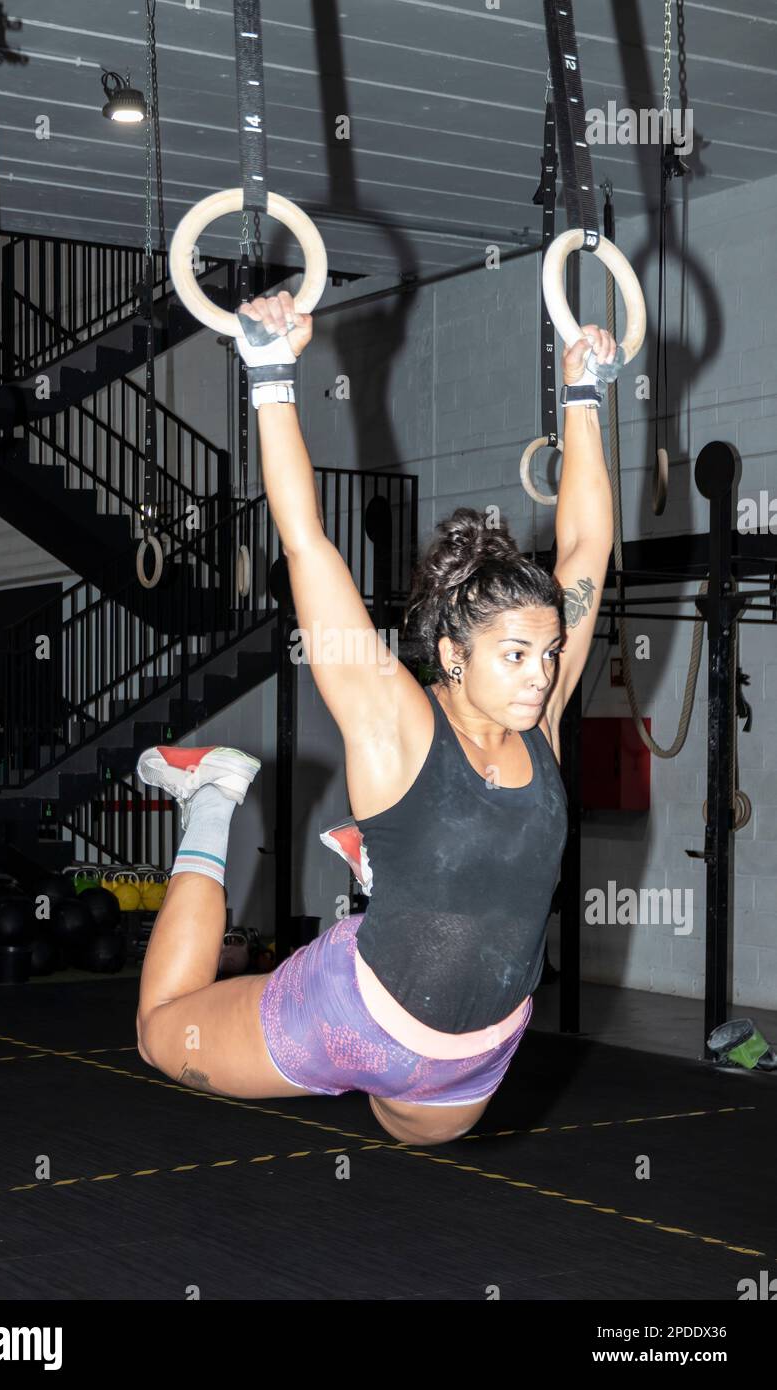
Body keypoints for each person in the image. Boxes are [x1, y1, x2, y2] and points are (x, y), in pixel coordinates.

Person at [135, 289, 616, 1147]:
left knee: (414, 1138)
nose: (543, 677)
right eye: (517, 657)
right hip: (346, 1015)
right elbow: (308, 545)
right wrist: (272, 374)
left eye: (549, 655)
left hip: (471, 1058)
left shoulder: (536, 726)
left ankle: (381, 867)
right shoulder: (393, 716)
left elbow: (585, 550)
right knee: (160, 1031)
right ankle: (210, 797)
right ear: (454, 656)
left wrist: (584, 395)